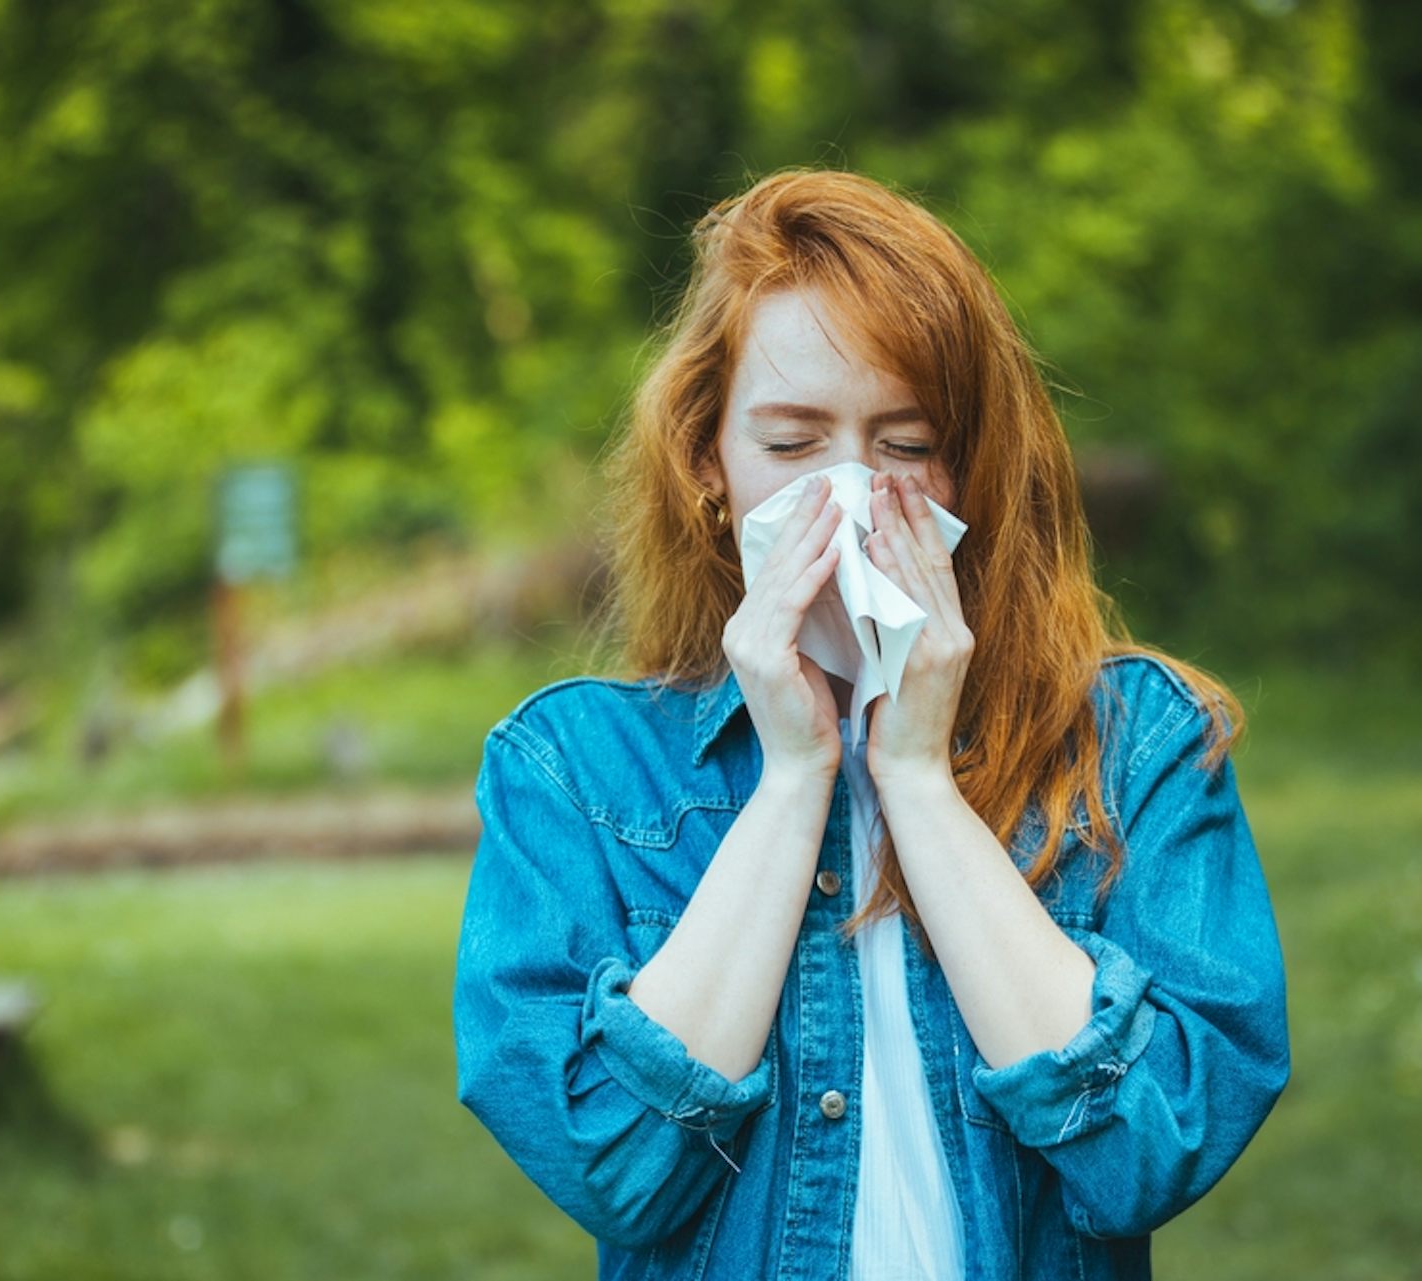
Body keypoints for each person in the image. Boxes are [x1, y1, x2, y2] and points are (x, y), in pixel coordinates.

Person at [452, 167, 1290, 1280]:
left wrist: (920, 782)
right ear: (708, 461)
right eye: (792, 445)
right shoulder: (575, 769)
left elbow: (1154, 1148)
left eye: (904, 445)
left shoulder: (1139, 742)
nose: (850, 495)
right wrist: (795, 776)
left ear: (972, 466)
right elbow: (607, 1164)